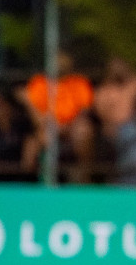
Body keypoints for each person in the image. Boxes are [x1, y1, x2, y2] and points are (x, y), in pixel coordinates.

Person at [23, 52, 94, 182]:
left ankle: (84, 177)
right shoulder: (39, 83)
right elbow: (36, 112)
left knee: (84, 131)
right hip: (48, 126)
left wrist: (66, 125)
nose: (59, 65)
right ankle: (43, 181)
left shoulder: (79, 83)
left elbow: (84, 111)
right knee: (40, 140)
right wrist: (52, 124)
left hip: (72, 126)